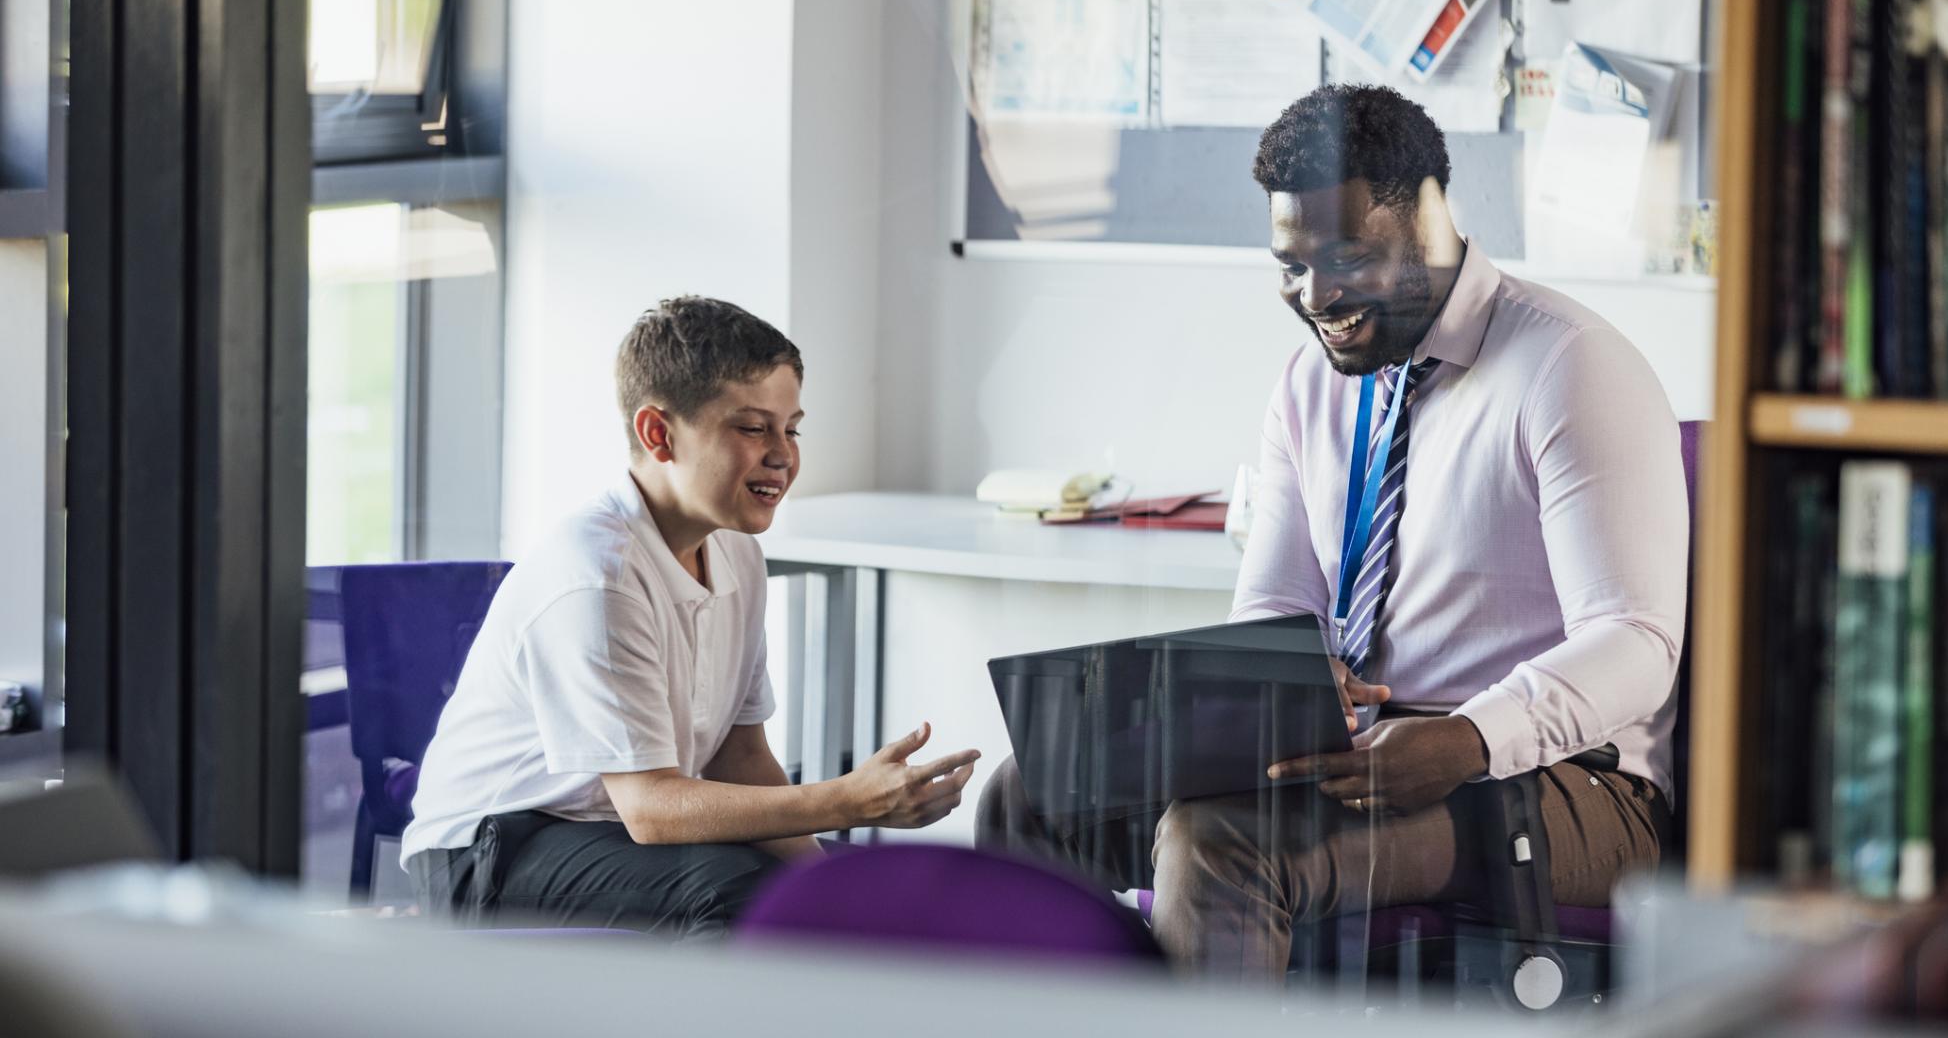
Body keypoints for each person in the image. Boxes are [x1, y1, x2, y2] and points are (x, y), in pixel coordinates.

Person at [977, 85, 1686, 981]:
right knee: (1028, 795)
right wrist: (1291, 682)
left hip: (1566, 782)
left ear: (1430, 215)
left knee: (1217, 841)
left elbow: (1636, 642)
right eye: (1291, 265)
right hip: (1353, 754)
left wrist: (1468, 738)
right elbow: (1274, 608)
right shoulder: (1310, 386)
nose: (1316, 296)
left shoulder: (1567, 366)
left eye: (1348, 257)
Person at [403, 296, 979, 935]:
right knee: (741, 896)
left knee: (868, 890)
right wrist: (845, 801)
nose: (783, 455)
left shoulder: (737, 552)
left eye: (792, 429)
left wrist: (837, 890)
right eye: (753, 428)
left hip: (615, 833)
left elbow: (740, 759)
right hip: (492, 849)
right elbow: (650, 808)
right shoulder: (598, 576)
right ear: (659, 434)